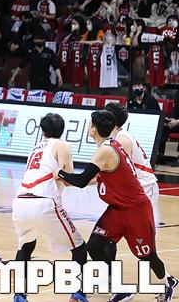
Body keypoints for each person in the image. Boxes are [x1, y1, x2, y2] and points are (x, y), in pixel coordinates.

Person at [56, 110, 178, 302]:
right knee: (95, 245)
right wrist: (68, 180)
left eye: (90, 124)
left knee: (147, 255)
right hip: (117, 209)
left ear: (94, 129)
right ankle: (120, 288)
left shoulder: (107, 150)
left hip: (135, 209)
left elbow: (81, 180)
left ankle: (168, 283)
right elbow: (93, 178)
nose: (88, 127)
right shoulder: (109, 146)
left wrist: (59, 173)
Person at [12, 114, 87, 302]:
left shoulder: (34, 148)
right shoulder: (63, 145)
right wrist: (95, 180)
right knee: (79, 247)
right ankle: (78, 293)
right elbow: (68, 178)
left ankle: (19, 294)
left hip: (20, 200)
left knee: (26, 246)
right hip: (44, 201)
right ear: (62, 129)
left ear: (42, 130)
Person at [104, 103, 159, 204]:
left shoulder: (122, 140)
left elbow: (124, 171)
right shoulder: (115, 136)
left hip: (144, 185)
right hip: (135, 186)